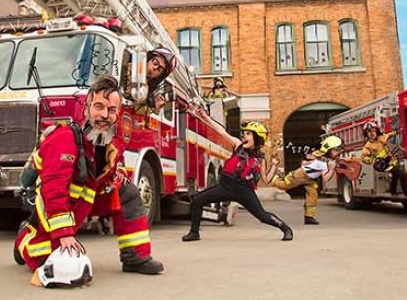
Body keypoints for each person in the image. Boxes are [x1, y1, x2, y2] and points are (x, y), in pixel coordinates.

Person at [14, 75, 164, 287]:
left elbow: (111, 167)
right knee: (49, 259)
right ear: (86, 108)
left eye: (112, 110)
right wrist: (64, 233)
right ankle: (24, 238)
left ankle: (135, 258)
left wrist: (117, 177)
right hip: (56, 207)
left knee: (129, 192)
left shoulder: (112, 141)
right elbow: (54, 189)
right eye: (99, 107)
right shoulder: (66, 138)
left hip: (87, 201)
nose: (105, 115)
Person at [182, 108, 293, 242]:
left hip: (244, 191)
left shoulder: (260, 159)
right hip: (226, 186)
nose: (244, 136)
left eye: (248, 134)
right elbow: (220, 131)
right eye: (244, 134)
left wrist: (274, 165)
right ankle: (194, 233)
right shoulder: (238, 145)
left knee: (262, 216)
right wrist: (205, 117)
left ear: (257, 138)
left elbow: (266, 179)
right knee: (197, 200)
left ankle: (286, 228)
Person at [270, 136, 343, 225]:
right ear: (329, 150)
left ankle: (309, 217)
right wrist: (332, 169)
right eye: (336, 150)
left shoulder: (322, 156)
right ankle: (273, 179)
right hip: (300, 175)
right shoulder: (323, 162)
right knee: (284, 185)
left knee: (313, 195)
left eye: (339, 149)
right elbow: (326, 178)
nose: (339, 152)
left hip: (310, 178)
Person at [122, 47, 177, 114]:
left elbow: (138, 110)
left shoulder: (145, 89)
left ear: (159, 76)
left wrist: (154, 106)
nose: (155, 68)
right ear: (149, 58)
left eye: (159, 70)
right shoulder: (127, 63)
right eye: (155, 63)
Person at [360, 121, 407, 196]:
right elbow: (363, 158)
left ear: (376, 131)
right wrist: (373, 160)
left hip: (391, 160)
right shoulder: (368, 146)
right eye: (369, 132)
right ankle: (406, 193)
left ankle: (393, 192)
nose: (372, 133)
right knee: (401, 174)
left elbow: (389, 134)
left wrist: (397, 132)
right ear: (366, 134)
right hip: (382, 165)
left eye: (373, 131)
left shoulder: (382, 138)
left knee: (395, 175)